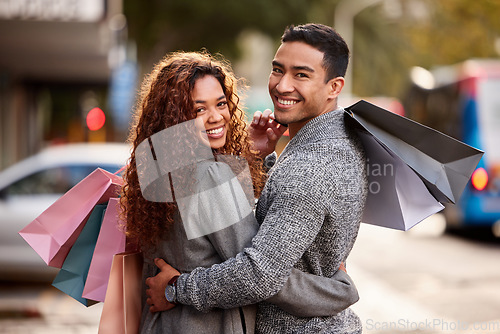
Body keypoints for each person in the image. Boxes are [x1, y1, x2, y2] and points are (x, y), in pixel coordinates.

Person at [146, 24, 368, 333]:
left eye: (301, 75)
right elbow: (241, 249)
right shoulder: (343, 144)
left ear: (334, 87)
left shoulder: (309, 166)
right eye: (278, 70)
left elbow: (259, 273)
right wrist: (339, 288)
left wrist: (177, 288)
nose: (282, 85)